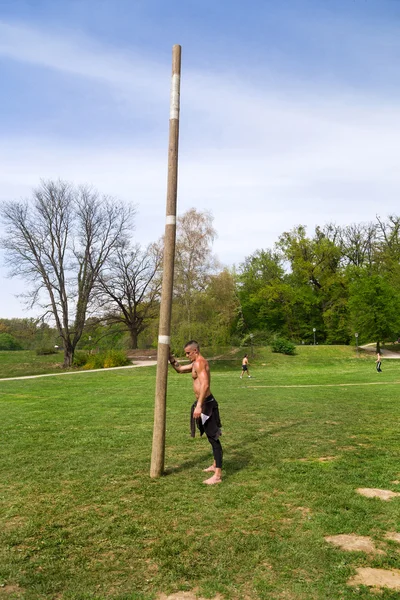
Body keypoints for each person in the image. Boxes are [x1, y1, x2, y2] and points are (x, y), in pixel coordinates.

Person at [169, 340, 223, 485]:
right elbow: (179, 369)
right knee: (210, 437)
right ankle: (214, 465)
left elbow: (205, 384)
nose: (186, 355)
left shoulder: (199, 362)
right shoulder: (195, 364)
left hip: (207, 404)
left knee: (214, 438)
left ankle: (217, 475)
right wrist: (170, 358)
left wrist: (199, 405)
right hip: (204, 403)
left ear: (195, 351)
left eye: (188, 353)